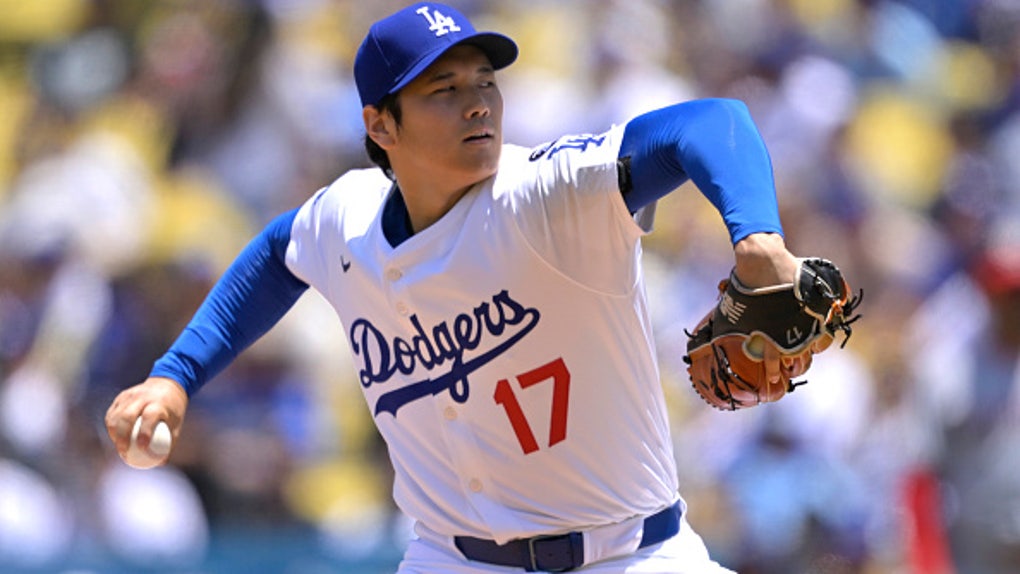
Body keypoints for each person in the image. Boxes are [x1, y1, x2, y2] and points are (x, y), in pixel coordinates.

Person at [105, 3, 814, 572]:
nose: (478, 104)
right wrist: (175, 377)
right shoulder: (346, 220)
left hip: (634, 555)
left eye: (485, 82)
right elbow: (275, 252)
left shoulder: (544, 192)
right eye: (444, 91)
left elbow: (712, 122)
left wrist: (757, 238)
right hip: (453, 558)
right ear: (380, 125)